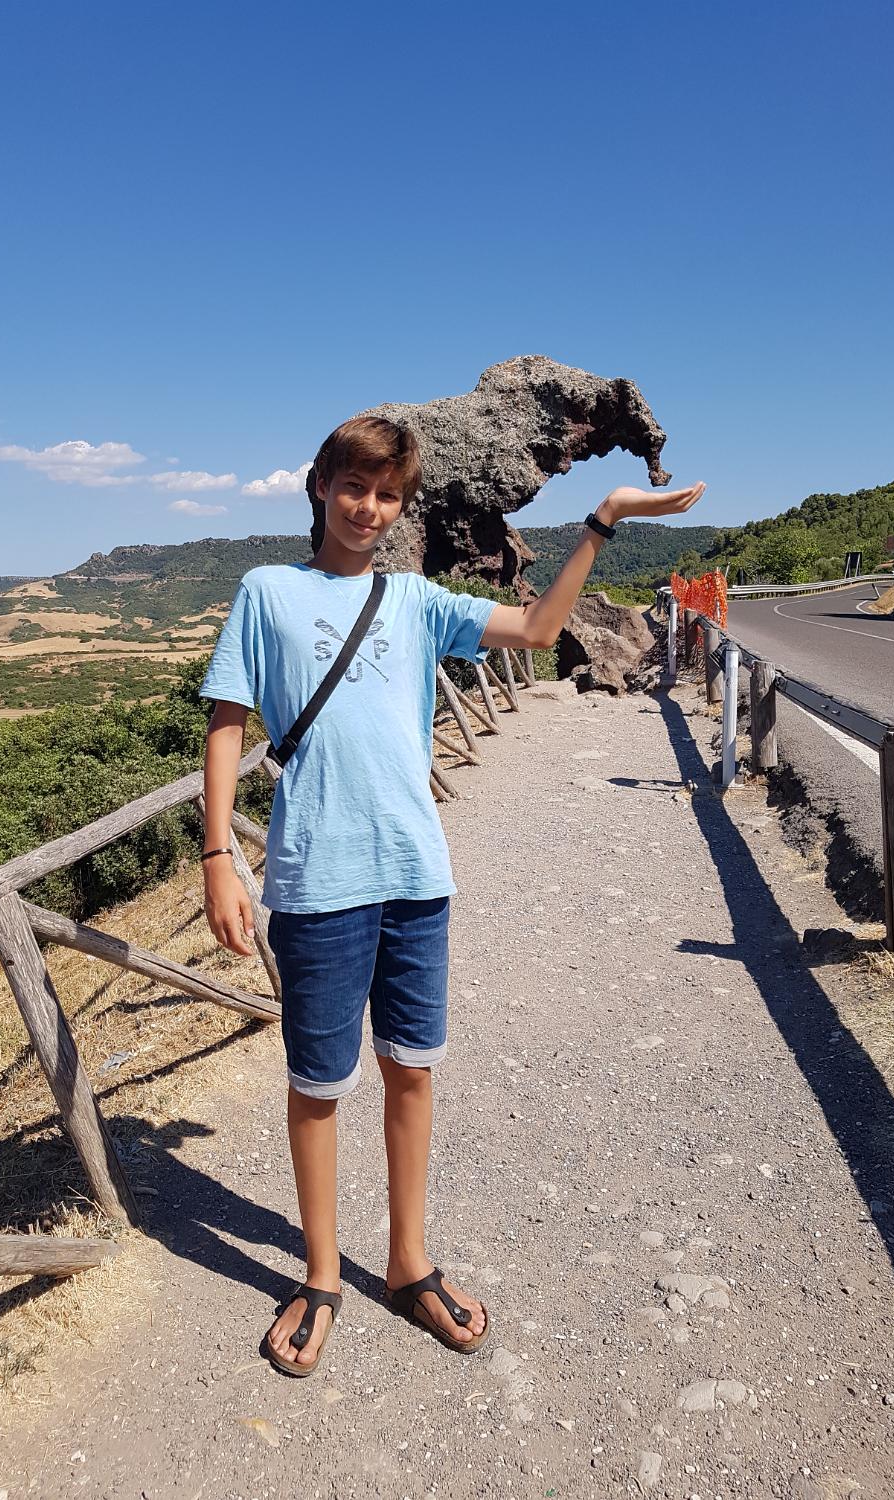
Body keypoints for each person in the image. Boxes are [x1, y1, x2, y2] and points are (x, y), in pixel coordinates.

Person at [198, 413, 703, 1373]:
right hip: (315, 879)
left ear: (401, 506)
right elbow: (228, 723)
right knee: (317, 1085)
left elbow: (539, 631)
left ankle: (407, 1263)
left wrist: (602, 519)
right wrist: (218, 853)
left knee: (411, 1071)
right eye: (354, 487)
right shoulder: (266, 591)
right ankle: (319, 1275)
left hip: (414, 876)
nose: (368, 508)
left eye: (387, 495)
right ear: (320, 486)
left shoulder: (416, 600)